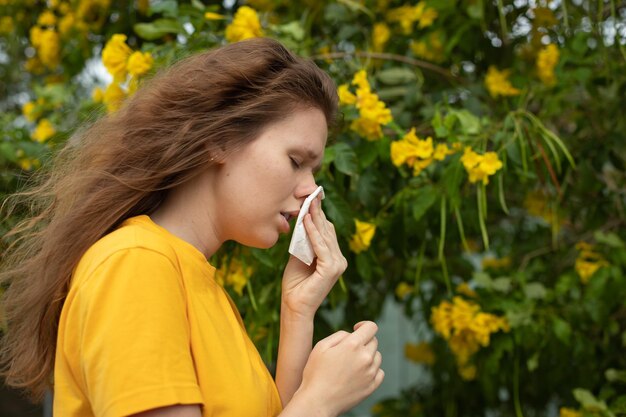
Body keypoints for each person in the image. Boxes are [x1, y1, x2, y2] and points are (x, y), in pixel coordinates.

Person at [0, 38, 384, 417]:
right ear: (219, 140)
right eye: (296, 160)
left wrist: (297, 309)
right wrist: (320, 402)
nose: (310, 189)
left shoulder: (194, 281)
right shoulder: (134, 265)